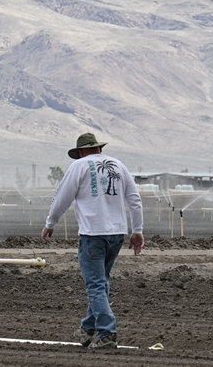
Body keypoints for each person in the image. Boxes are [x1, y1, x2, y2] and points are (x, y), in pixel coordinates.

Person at [42, 133, 144, 349]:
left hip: (93, 235)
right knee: (101, 282)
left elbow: (62, 197)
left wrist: (51, 223)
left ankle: (107, 334)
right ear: (99, 148)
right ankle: (88, 329)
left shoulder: (79, 166)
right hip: (117, 234)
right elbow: (134, 199)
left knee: (96, 285)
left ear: (80, 152)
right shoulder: (118, 166)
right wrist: (137, 230)